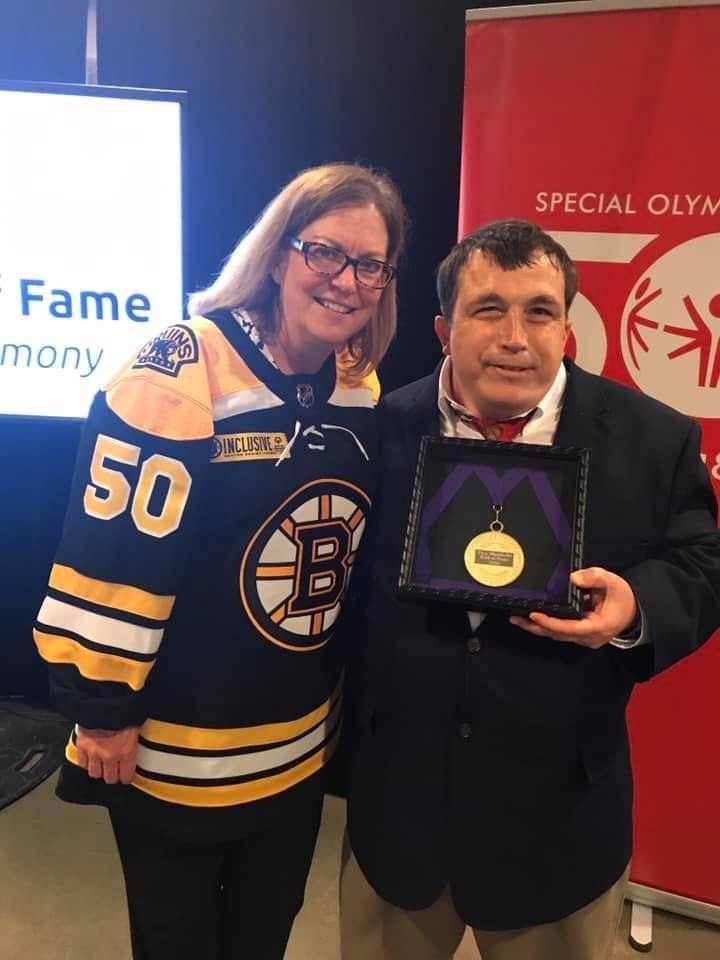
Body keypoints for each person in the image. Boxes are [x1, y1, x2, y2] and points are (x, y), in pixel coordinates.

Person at [33, 162, 406, 960]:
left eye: (370, 264)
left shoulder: (358, 384)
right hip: (175, 752)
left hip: (296, 748)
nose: (347, 281)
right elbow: (111, 550)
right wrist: (101, 704)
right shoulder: (179, 366)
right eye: (324, 252)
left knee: (262, 938)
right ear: (277, 253)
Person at [341, 219, 720, 960]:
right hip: (399, 818)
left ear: (567, 327)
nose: (515, 337)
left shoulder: (652, 437)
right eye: (489, 310)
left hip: (559, 828)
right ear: (444, 330)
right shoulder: (380, 430)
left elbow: (704, 562)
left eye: (540, 311)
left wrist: (637, 605)